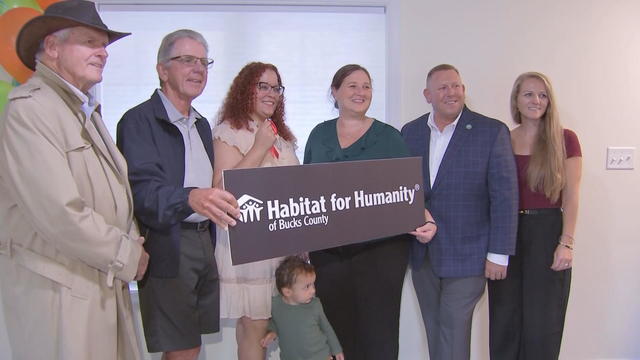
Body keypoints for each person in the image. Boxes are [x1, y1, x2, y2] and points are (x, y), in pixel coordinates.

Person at [0, 1, 149, 359]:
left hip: (97, 283)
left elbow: (113, 193)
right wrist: (127, 253)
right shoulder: (30, 109)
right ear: (52, 47)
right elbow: (60, 213)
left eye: (104, 45)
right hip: (61, 292)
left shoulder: (84, 110)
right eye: (90, 42)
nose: (102, 53)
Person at [116, 29, 240, 360]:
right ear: (162, 69)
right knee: (182, 347)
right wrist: (189, 198)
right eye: (186, 60)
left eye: (203, 62)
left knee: (192, 344)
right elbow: (141, 193)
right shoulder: (137, 121)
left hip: (204, 239)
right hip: (169, 244)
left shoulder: (201, 124)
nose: (198, 69)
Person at [304, 64, 436, 360]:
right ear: (334, 92)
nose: (360, 92)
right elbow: (306, 190)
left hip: (381, 253)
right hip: (328, 253)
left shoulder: (389, 137)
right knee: (336, 331)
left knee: (379, 331)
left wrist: (424, 218)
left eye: (366, 86)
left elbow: (408, 192)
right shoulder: (318, 134)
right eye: (352, 85)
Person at [401, 64, 519, 360]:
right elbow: (404, 189)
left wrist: (499, 253)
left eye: (456, 86)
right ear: (428, 95)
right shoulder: (410, 132)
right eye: (442, 87)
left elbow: (505, 196)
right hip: (423, 254)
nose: (451, 92)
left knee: (453, 329)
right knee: (434, 328)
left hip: (470, 254)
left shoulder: (491, 132)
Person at [487, 72, 582, 360]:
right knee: (505, 320)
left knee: (543, 323)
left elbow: (572, 194)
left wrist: (566, 242)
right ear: (516, 99)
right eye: (528, 94)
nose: (536, 100)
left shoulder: (565, 139)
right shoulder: (502, 138)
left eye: (542, 95)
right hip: (507, 234)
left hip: (547, 232)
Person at [212, 61, 299, 360]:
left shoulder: (283, 138)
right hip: (249, 250)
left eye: (276, 87)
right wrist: (259, 147)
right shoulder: (228, 132)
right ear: (245, 89)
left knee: (275, 328)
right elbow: (223, 192)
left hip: (282, 247)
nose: (271, 93)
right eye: (263, 85)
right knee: (255, 329)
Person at [260, 256, 344, 360]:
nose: (313, 290)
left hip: (320, 356)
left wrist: (337, 349)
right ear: (287, 292)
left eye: (313, 284)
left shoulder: (315, 305)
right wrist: (272, 332)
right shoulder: (276, 305)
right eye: (307, 287)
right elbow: (275, 322)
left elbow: (327, 328)